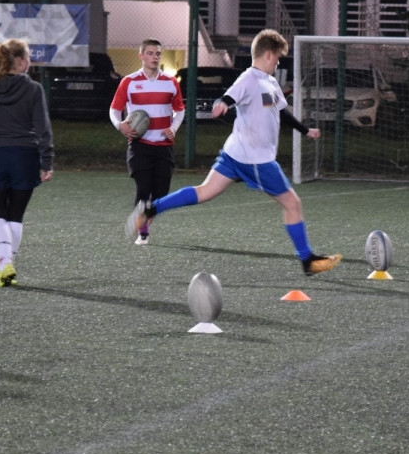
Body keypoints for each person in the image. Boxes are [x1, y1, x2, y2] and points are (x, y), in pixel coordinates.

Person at [126, 29, 341, 276]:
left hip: (235, 153)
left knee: (204, 192)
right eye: (278, 57)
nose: (279, 62)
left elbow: (281, 111)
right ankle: (307, 260)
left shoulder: (270, 82)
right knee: (293, 203)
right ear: (268, 54)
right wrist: (221, 104)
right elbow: (229, 97)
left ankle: (150, 209)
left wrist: (305, 130)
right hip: (256, 160)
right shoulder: (249, 79)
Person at [0, 39, 53, 287]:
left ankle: (4, 264)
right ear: (18, 60)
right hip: (25, 156)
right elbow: (43, 128)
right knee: (15, 215)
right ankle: (6, 264)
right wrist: (47, 161)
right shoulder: (34, 89)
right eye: (27, 57)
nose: (29, 62)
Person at [109, 39, 185, 245]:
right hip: (139, 145)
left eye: (158, 53)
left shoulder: (171, 82)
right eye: (150, 53)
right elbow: (114, 109)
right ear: (141, 56)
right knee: (143, 189)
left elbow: (179, 110)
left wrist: (173, 128)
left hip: (164, 147)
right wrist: (120, 125)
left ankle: (144, 219)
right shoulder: (129, 82)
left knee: (161, 195)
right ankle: (142, 232)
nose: (155, 57)